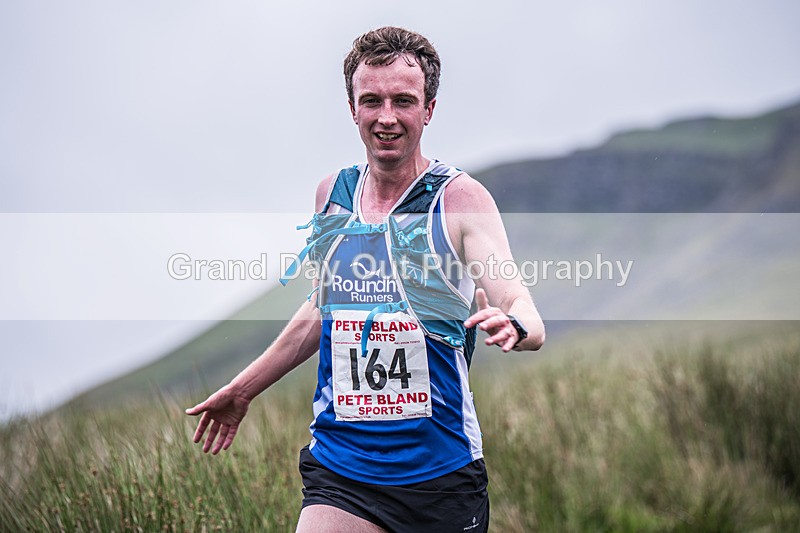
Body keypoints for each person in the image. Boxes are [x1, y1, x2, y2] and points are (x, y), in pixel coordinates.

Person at [186, 26, 545, 533]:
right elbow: (321, 309)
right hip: (341, 467)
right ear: (352, 108)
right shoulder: (332, 195)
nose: (387, 118)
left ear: (429, 109)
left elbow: (520, 303)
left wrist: (516, 324)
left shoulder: (460, 200)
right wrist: (244, 389)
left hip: (439, 473)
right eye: (371, 100)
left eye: (403, 100)